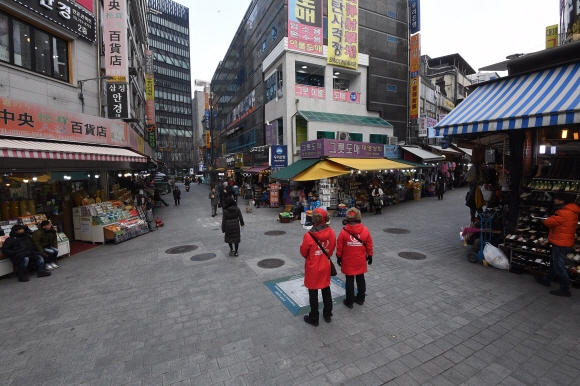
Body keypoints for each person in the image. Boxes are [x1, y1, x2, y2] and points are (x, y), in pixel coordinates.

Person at [535, 193, 580, 297]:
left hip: (561, 243)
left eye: (556, 199)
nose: (554, 200)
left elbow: (548, 222)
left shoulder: (564, 213)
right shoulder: (572, 211)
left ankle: (565, 289)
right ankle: (547, 279)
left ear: (562, 201)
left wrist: (549, 218)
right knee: (554, 262)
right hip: (564, 242)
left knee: (559, 266)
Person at [300, 208, 336, 326]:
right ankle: (327, 314)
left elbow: (303, 252)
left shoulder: (309, 235)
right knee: (326, 289)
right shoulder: (331, 232)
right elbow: (331, 249)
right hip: (325, 264)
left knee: (313, 292)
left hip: (313, 266)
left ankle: (314, 317)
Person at [336, 208, 373, 308]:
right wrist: (370, 255)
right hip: (360, 259)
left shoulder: (343, 232)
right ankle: (361, 298)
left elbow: (339, 246)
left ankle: (349, 301)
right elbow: (369, 243)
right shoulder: (365, 230)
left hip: (348, 260)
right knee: (360, 278)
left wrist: (339, 257)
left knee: (349, 280)